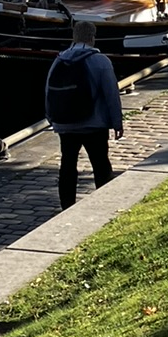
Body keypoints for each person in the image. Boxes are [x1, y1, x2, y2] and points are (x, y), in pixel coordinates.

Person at [46, 21, 124, 209]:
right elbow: (111, 94)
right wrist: (117, 122)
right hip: (94, 124)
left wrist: (52, 118)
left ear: (74, 37)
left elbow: (49, 91)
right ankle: (104, 204)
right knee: (100, 164)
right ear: (92, 38)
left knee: (67, 165)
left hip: (66, 124)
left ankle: (67, 205)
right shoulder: (101, 61)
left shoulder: (59, 60)